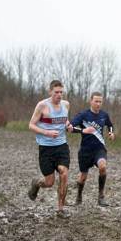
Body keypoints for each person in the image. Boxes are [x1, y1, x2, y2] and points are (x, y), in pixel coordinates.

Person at [27, 80, 73, 218]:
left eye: (61, 92)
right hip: (46, 148)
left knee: (64, 173)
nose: (59, 95)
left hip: (61, 146)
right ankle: (36, 183)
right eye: (56, 92)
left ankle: (60, 209)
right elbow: (31, 125)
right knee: (49, 182)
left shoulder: (66, 105)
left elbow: (64, 120)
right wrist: (46, 132)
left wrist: (68, 125)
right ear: (50, 92)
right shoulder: (42, 106)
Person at [70, 92, 115, 206]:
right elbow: (70, 127)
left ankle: (101, 196)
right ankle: (79, 196)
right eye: (96, 101)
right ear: (91, 101)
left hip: (99, 148)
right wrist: (82, 130)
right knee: (82, 177)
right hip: (85, 151)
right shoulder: (83, 115)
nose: (98, 104)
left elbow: (110, 125)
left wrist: (111, 133)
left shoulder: (104, 115)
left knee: (103, 167)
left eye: (100, 101)